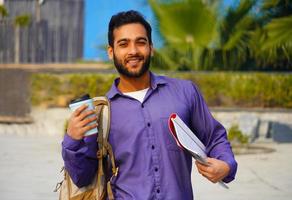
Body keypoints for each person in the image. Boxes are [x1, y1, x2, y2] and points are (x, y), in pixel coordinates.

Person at [62, 10, 237, 199]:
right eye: (123, 44)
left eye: (141, 42)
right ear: (111, 52)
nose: (133, 51)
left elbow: (215, 137)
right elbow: (83, 178)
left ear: (151, 47)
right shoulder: (102, 114)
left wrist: (226, 165)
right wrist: (72, 139)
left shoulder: (185, 92)